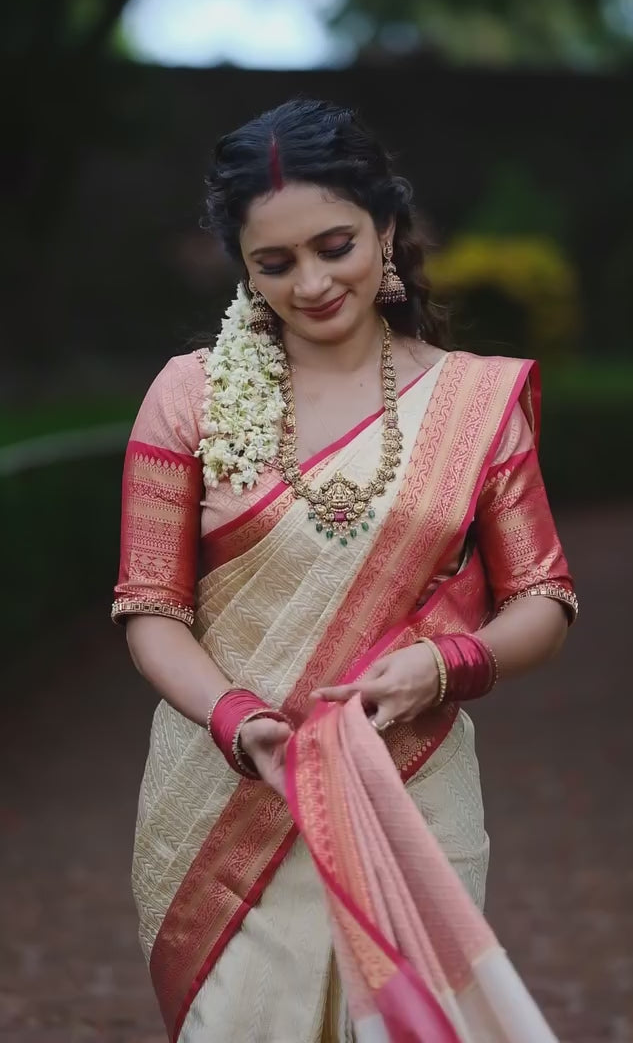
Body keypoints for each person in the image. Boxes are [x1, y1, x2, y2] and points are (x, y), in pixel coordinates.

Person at [113, 99, 578, 1043]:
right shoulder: (188, 397)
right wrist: (238, 722)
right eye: (275, 263)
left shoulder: (474, 402)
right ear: (243, 269)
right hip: (227, 802)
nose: (315, 283)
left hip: (409, 786)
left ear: (388, 229)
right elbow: (149, 608)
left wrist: (444, 666)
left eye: (336, 247)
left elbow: (544, 598)